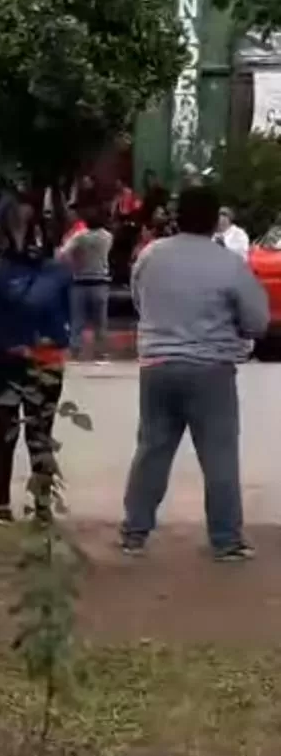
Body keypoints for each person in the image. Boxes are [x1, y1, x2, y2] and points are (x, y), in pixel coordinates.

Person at [121, 186, 269, 561]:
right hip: (210, 369)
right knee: (218, 456)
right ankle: (225, 540)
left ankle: (134, 533)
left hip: (157, 366)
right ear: (212, 220)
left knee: (152, 450)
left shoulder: (151, 255)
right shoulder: (228, 264)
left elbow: (139, 301)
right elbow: (257, 321)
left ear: (177, 216)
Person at [0, 196, 72, 524]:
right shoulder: (57, 273)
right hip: (45, 361)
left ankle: (4, 508)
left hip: (6, 358)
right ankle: (42, 508)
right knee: (39, 435)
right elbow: (66, 322)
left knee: (6, 435)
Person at [57, 203, 113, 361]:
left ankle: (75, 351)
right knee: (101, 323)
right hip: (101, 283)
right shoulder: (107, 237)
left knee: (77, 321)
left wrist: (73, 263)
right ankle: (101, 353)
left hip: (80, 282)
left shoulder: (80, 236)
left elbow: (62, 254)